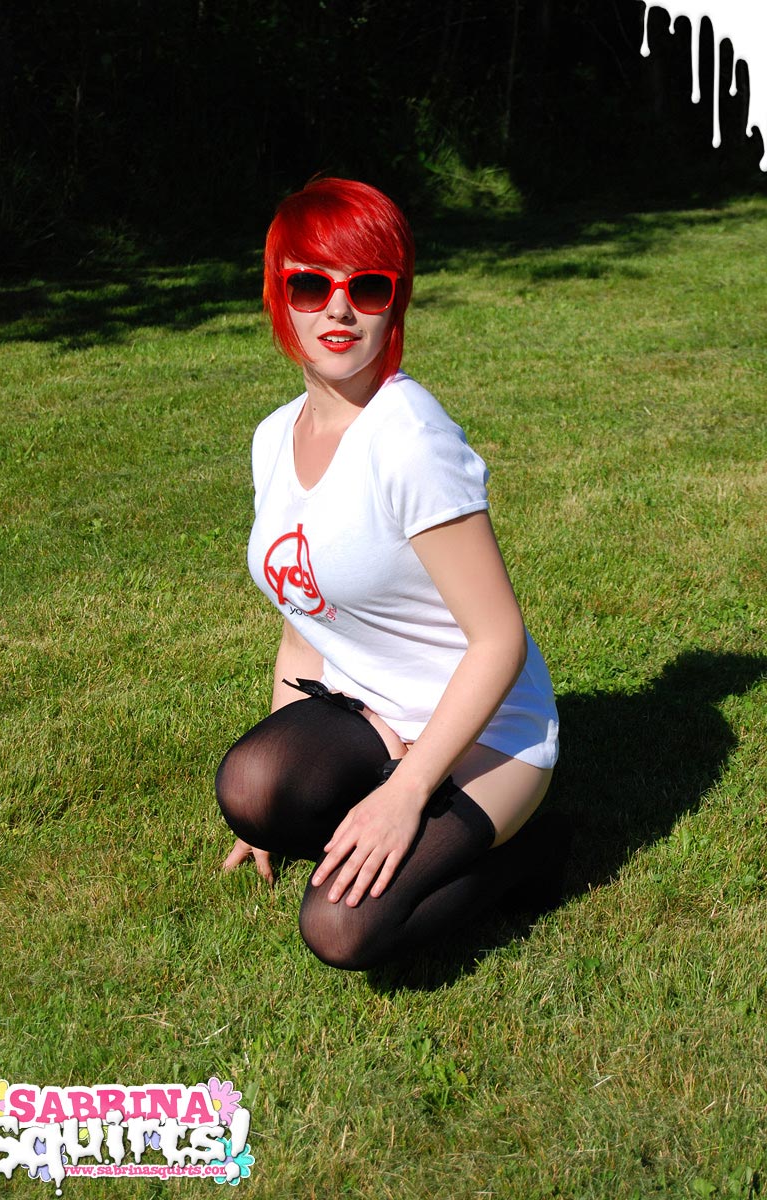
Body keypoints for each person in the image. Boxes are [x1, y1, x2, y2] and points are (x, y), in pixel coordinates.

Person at [215, 177, 560, 971]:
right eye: (311, 285)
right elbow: (305, 623)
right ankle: (380, 788)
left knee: (342, 929)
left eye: (367, 287)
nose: (339, 309)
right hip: (373, 712)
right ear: (279, 297)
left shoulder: (409, 439)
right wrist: (274, 811)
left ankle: (529, 854)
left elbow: (499, 640)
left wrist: (408, 793)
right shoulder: (274, 438)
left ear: (394, 303)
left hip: (487, 735)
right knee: (251, 788)